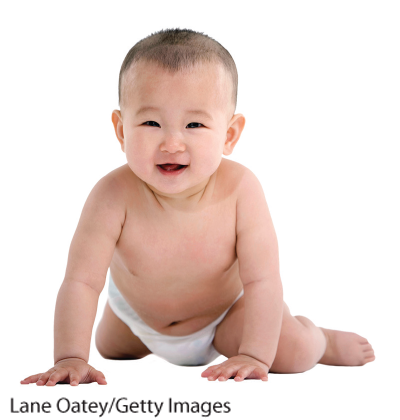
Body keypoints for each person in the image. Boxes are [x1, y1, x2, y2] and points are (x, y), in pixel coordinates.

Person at [21, 28, 375, 386]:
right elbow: (81, 281)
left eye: (194, 124)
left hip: (223, 317)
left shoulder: (241, 190)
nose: (172, 143)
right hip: (134, 317)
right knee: (106, 347)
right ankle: (126, 329)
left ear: (229, 135)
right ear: (121, 130)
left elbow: (262, 281)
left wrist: (253, 353)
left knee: (291, 352)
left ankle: (322, 340)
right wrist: (70, 357)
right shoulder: (111, 195)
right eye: (150, 122)